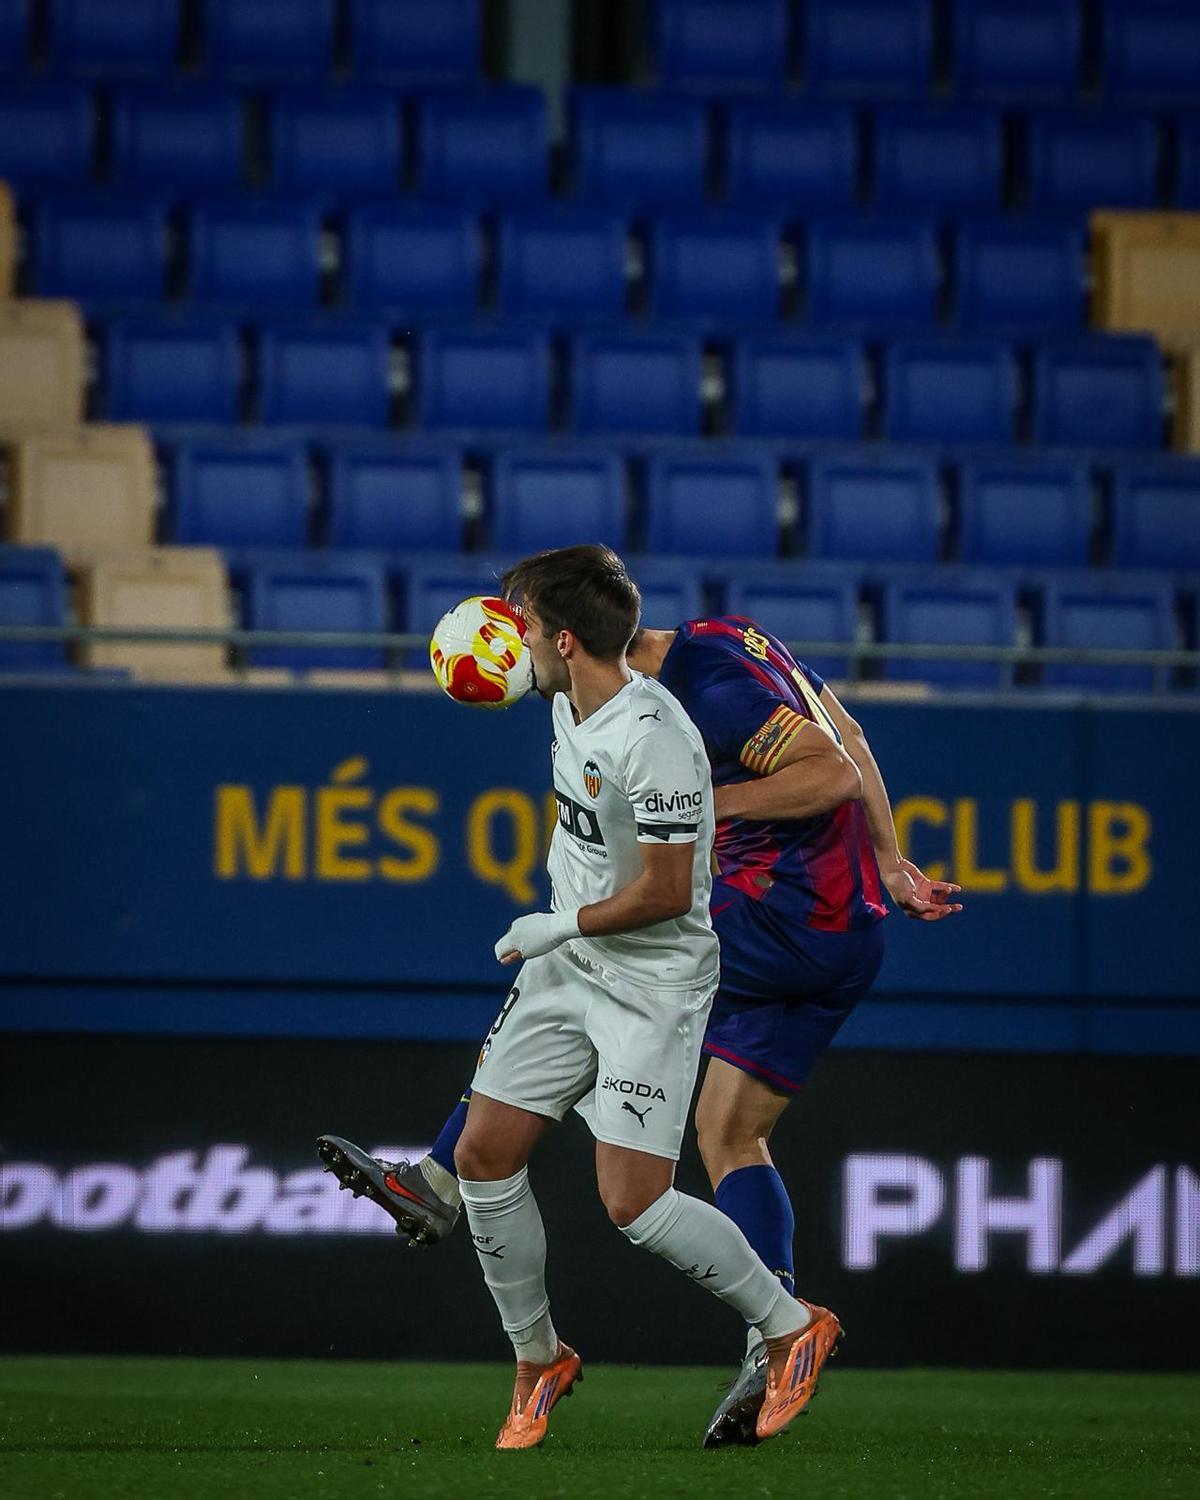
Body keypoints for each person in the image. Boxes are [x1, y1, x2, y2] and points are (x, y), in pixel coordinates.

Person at [319, 548, 961, 1447]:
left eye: (521, 617)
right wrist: (888, 858)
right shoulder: (724, 637)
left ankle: (435, 1179)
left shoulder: (691, 704)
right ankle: (767, 1336)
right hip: (845, 932)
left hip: (776, 919)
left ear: (567, 634)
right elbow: (848, 729)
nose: (509, 631)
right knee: (732, 1134)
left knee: (593, 956)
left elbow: (828, 770)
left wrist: (702, 804)